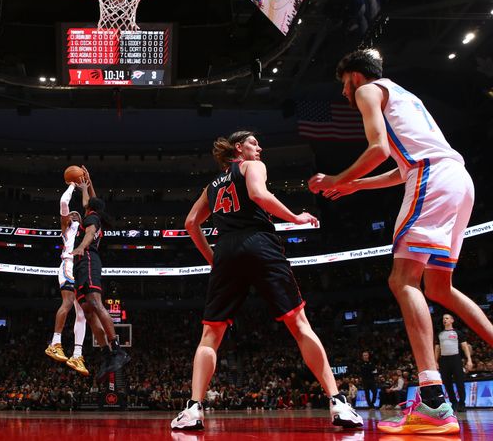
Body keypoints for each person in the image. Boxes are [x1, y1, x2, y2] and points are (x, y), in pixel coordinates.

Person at [308, 49, 493, 434]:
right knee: (440, 286)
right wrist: (354, 185)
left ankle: (433, 401)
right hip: (456, 179)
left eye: (344, 84)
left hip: (431, 179)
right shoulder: (405, 94)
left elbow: (378, 150)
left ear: (356, 77)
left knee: (402, 280)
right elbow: (398, 168)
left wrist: (335, 179)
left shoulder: (368, 91)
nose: (344, 94)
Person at [171, 131, 363, 431]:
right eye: (253, 143)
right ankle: (337, 401)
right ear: (239, 148)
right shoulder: (250, 167)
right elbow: (259, 195)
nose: (259, 148)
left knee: (211, 334)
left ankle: (193, 409)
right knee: (299, 324)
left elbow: (190, 223)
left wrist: (213, 258)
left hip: (226, 250)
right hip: (259, 242)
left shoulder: (211, 186)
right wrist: (295, 218)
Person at [70, 168, 130, 381]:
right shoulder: (92, 212)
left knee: (95, 303)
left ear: (90, 209)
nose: (85, 204)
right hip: (81, 263)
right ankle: (106, 353)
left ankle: (117, 349)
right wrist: (87, 184)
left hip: (87, 259)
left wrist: (80, 248)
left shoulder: (92, 219)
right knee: (87, 311)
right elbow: (90, 201)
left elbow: (89, 234)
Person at [44, 181, 89, 376]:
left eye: (77, 215)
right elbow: (63, 201)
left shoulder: (85, 231)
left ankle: (77, 354)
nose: (74, 215)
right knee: (68, 303)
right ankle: (55, 342)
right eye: (72, 214)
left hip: (81, 268)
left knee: (83, 313)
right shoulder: (66, 229)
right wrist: (72, 185)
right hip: (68, 265)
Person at [436, 313, 472, 412]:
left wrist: (469, 359)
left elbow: (465, 347)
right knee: (447, 383)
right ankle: (454, 402)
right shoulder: (440, 334)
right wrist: (435, 361)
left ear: (452, 320)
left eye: (447, 318)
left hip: (456, 359)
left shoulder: (458, 333)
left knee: (460, 383)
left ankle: (462, 403)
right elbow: (437, 348)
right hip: (443, 360)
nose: (445, 320)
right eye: (443, 318)